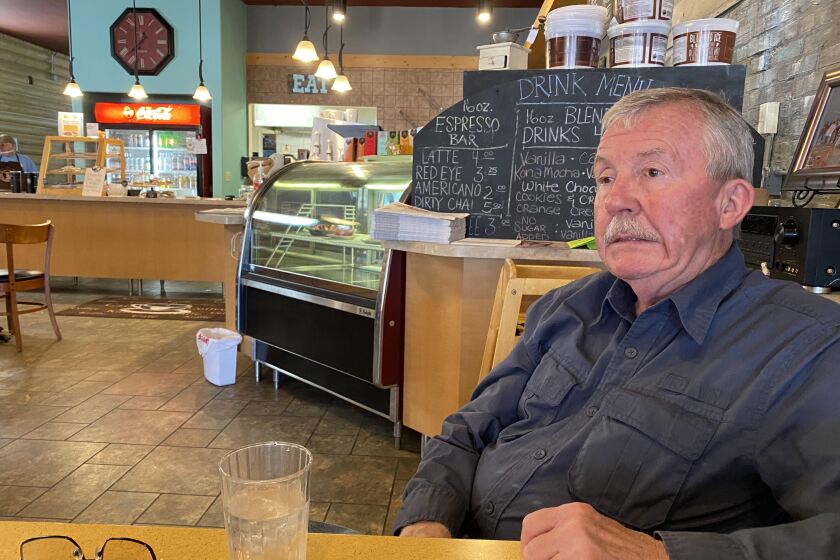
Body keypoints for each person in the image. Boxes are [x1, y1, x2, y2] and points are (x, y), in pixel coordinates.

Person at [394, 88, 840, 559]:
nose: (617, 200)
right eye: (605, 178)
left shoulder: (807, 348)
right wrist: (425, 529)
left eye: (652, 172)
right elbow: (467, 431)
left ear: (729, 204)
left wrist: (654, 555)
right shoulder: (567, 307)